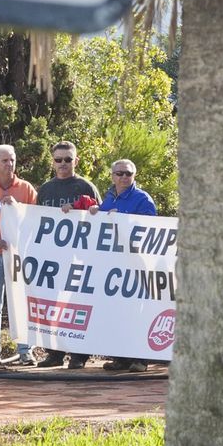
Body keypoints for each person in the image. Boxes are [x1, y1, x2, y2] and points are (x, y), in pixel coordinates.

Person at [35, 141, 100, 369]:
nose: (63, 164)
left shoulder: (86, 186)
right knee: (53, 305)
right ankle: (54, 353)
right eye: (58, 159)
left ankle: (80, 355)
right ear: (52, 162)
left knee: (78, 306)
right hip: (53, 259)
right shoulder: (45, 189)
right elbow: (36, 223)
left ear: (76, 161)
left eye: (68, 159)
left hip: (79, 259)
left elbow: (99, 220)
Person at [95, 160, 158, 373]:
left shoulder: (142, 199)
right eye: (119, 173)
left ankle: (140, 359)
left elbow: (151, 229)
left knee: (137, 312)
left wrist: (122, 220)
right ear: (112, 175)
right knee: (117, 312)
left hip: (136, 264)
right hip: (113, 265)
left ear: (134, 175)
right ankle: (120, 358)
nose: (123, 177)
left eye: (128, 174)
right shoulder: (109, 197)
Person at [0, 144, 36, 366]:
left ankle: (25, 350)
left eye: (12, 160)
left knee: (22, 302)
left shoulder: (26, 189)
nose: (9, 164)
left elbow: (36, 221)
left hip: (19, 257)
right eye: (4, 160)